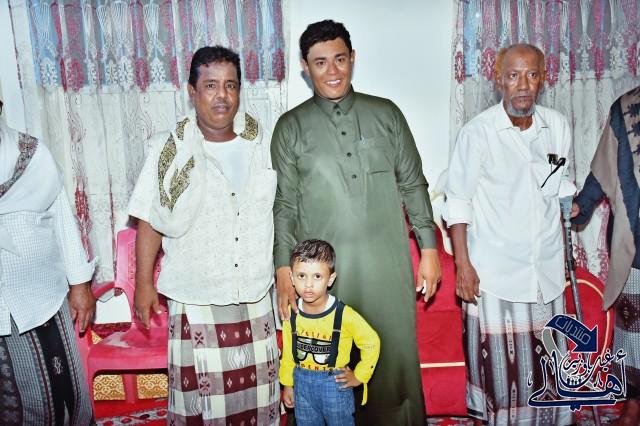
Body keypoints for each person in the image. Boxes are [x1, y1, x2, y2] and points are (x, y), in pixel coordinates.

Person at [270, 19, 441, 424]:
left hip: (388, 267)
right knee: (326, 363)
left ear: (353, 59)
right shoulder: (290, 127)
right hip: (322, 277)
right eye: (320, 62)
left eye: (340, 59)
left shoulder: (386, 114)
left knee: (392, 358)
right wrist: (282, 268)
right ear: (305, 67)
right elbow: (285, 205)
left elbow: (413, 184)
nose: (332, 71)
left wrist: (429, 250)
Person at [129, 46, 280, 425]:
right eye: (211, 85)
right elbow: (150, 220)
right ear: (192, 91)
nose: (222, 95)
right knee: (200, 406)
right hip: (196, 295)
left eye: (230, 85)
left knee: (259, 402)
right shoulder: (169, 149)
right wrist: (143, 284)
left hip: (254, 293)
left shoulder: (261, 144)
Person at [443, 44, 574, 425]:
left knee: (550, 373)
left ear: (543, 78)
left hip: (545, 273)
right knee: (503, 381)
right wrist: (463, 266)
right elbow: (458, 201)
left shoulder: (557, 126)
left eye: (532, 75)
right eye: (513, 76)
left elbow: (556, 184)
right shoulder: (478, 132)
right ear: (498, 79)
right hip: (496, 274)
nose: (523, 85)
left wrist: (573, 200)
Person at [0, 96, 96, 425]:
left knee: (65, 396)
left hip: (43, 297)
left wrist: (80, 285)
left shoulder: (31, 154)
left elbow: (63, 218)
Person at [572, 86, 640, 426]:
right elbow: (602, 170)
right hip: (634, 239)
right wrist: (580, 205)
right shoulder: (626, 108)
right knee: (632, 328)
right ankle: (634, 406)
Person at [280, 239, 380, 426]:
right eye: (301, 276)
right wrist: (287, 384)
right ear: (292, 277)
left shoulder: (344, 314)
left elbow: (371, 342)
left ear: (330, 279)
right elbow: (288, 353)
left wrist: (359, 376)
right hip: (301, 385)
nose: (308, 284)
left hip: (334, 384)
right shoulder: (291, 313)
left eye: (317, 276)